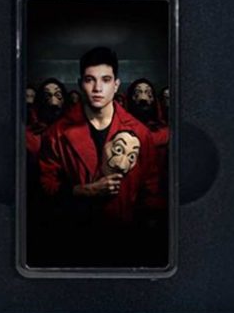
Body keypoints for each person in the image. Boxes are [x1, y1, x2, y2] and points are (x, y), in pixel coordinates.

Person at [38, 47, 164, 266]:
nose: (97, 88)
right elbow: (44, 186)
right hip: (73, 240)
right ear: (80, 83)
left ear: (116, 85)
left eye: (105, 80)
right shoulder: (56, 133)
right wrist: (82, 191)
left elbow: (151, 191)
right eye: (90, 80)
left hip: (128, 242)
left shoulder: (140, 133)